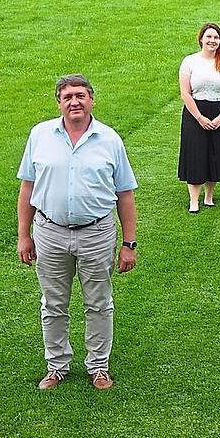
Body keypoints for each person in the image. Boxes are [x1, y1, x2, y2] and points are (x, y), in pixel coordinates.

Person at [16, 74, 138, 391]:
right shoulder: (40, 136)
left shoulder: (110, 140)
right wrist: (24, 234)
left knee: (99, 303)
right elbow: (27, 187)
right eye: (68, 96)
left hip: (97, 233)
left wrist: (129, 243)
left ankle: (98, 367)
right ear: (59, 102)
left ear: (91, 100)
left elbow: (125, 194)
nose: (75, 101)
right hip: (49, 232)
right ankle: (56, 367)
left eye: (81, 95)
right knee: (53, 304)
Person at [178, 22, 220, 213]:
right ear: (201, 39)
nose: (213, 41)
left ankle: (209, 197)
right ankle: (194, 200)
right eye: (209, 37)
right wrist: (200, 118)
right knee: (195, 154)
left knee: (215, 153)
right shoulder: (190, 62)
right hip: (195, 112)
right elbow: (185, 93)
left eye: (216, 38)